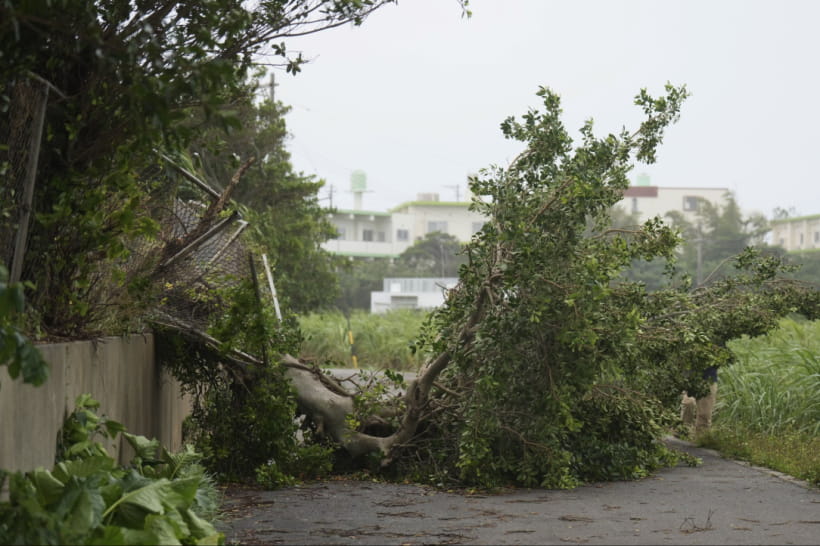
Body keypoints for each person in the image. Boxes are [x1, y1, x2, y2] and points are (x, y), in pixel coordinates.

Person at [680, 365, 718, 434]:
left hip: (708, 379)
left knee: (704, 414)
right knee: (688, 403)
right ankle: (684, 432)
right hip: (689, 378)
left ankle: (701, 438)